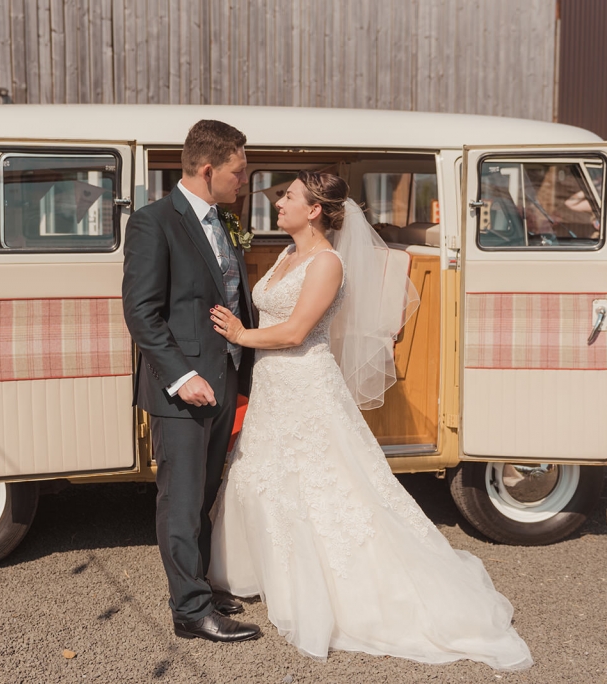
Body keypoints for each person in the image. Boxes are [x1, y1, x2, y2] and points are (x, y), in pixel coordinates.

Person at [206, 171, 534, 670]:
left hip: (305, 385)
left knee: (326, 486)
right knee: (266, 478)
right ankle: (272, 576)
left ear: (314, 209)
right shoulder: (287, 255)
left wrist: (239, 334)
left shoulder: (327, 263)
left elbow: (295, 332)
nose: (279, 203)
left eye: (288, 196)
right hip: (276, 387)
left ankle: (337, 592)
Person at [121, 120, 261, 643]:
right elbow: (142, 312)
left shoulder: (224, 222)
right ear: (208, 170)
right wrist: (181, 377)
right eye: (238, 172)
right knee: (179, 500)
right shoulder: (154, 222)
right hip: (184, 388)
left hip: (223, 378)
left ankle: (198, 586)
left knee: (203, 494)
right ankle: (189, 612)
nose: (243, 181)